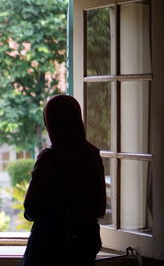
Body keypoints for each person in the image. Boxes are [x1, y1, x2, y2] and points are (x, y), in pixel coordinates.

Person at [20, 95, 107, 266]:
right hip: (83, 248)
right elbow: (100, 208)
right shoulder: (93, 156)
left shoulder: (49, 159)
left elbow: (31, 210)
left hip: (49, 249)